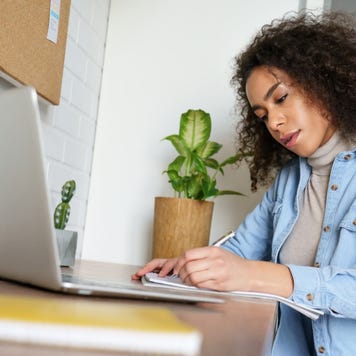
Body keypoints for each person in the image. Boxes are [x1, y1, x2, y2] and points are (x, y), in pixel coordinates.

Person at [132, 11, 356, 356]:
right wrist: (189, 265)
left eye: (281, 98)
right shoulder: (290, 180)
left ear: (322, 82)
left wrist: (254, 275)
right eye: (263, 115)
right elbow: (240, 250)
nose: (276, 123)